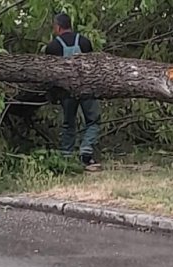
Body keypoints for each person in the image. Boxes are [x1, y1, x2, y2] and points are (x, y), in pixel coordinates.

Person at [45, 13, 101, 171]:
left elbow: (50, 74)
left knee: (68, 124)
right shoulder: (84, 42)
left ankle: (66, 157)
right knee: (93, 121)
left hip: (66, 92)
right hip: (87, 89)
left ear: (58, 27)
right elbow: (93, 67)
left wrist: (52, 94)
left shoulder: (52, 47)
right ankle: (86, 152)